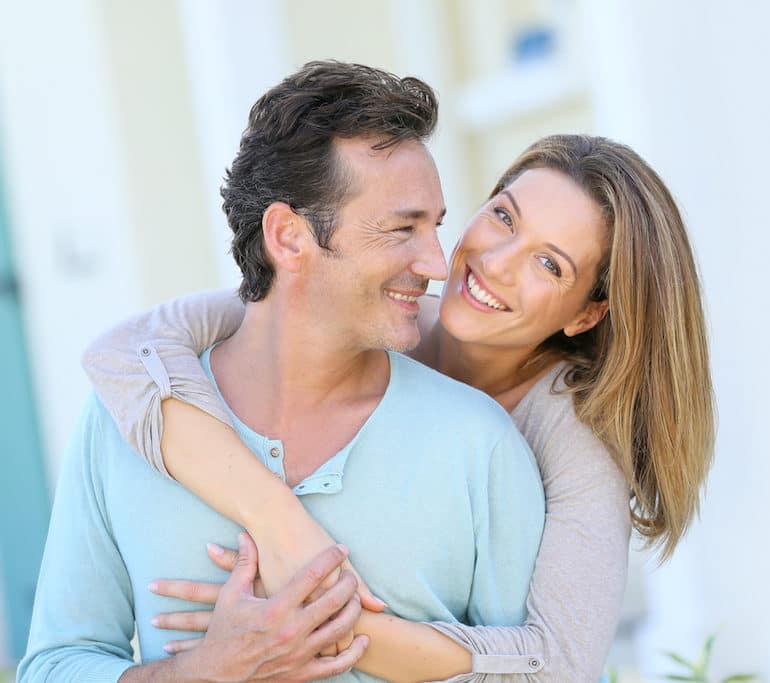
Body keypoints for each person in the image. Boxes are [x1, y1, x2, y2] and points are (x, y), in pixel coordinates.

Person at [74, 133, 716, 681]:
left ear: (587, 313)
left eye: (548, 264)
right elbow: (126, 352)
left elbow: (557, 666)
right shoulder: (377, 318)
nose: (493, 263)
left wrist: (300, 619)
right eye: (504, 217)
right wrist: (279, 523)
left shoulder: (568, 442)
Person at [17, 61, 545, 683]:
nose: (435, 262)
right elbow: (52, 665)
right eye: (402, 229)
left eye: (435, 226)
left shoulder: (479, 445)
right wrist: (209, 671)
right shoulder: (124, 427)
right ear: (289, 237)